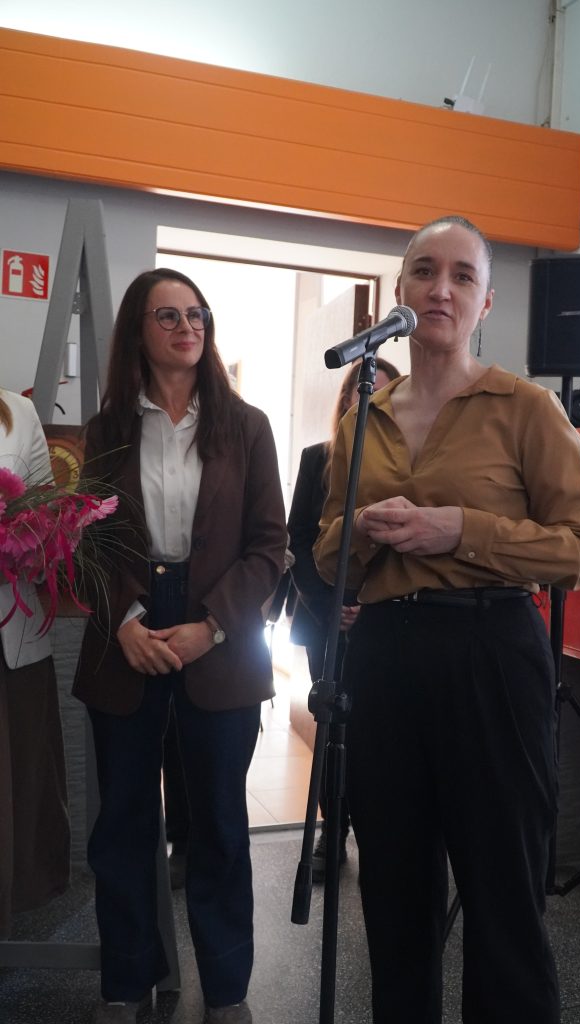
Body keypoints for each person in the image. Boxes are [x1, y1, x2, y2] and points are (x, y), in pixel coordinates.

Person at [313, 216, 580, 1024]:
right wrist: (359, 531)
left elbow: (579, 550)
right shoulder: (360, 420)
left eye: (461, 276)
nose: (439, 289)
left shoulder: (527, 409)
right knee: (393, 893)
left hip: (489, 652)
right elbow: (326, 557)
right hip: (383, 658)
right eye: (423, 271)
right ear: (399, 290)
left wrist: (460, 531)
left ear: (486, 303)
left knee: (502, 892)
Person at [73, 268, 287, 1024]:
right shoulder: (107, 429)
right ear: (138, 329)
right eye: (167, 315)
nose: (186, 327)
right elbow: (88, 539)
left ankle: (226, 990)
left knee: (220, 824)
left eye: (196, 314)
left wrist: (211, 625)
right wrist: (126, 620)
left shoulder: (246, 426)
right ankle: (126, 982)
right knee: (125, 823)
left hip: (219, 631)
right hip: (127, 629)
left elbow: (269, 547)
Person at [287, 357, 400, 881]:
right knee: (333, 728)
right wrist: (335, 608)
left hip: (388, 617)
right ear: (347, 400)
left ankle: (382, 831)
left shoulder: (409, 468)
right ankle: (332, 833)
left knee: (380, 730)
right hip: (326, 617)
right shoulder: (318, 458)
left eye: (385, 394)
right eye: (363, 392)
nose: (371, 401)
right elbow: (298, 542)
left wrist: (370, 604)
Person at [0, 388, 71, 940]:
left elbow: (50, 520)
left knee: (19, 786)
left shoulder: (17, 414)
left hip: (13, 639)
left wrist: (28, 541)